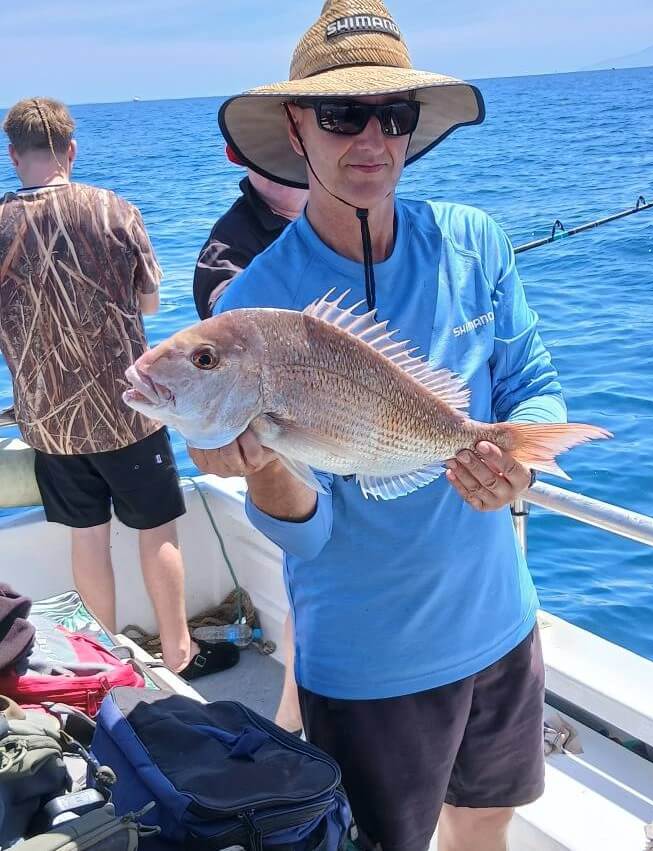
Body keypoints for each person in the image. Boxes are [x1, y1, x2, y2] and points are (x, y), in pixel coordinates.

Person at [191, 2, 566, 848]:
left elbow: (533, 385)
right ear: (296, 126)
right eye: (341, 114)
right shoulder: (255, 306)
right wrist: (263, 464)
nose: (371, 139)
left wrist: (522, 459)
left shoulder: (474, 241)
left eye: (393, 114)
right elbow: (311, 534)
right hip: (369, 661)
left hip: (502, 620)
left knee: (487, 821)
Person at [0, 98, 237, 681]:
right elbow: (151, 304)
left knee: (87, 539)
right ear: (71, 149)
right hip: (131, 411)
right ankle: (179, 655)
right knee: (158, 532)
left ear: (13, 155)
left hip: (50, 421)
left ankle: (105, 667)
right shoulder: (113, 209)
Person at [193, 156, 308, 728]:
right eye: (270, 154)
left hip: (349, 428)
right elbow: (220, 338)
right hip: (293, 448)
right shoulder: (228, 248)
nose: (290, 165)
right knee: (311, 581)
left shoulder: (342, 214)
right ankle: (291, 720)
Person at [192, 149, 308, 319]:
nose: (280, 165)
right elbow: (226, 315)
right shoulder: (229, 239)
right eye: (265, 155)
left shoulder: (344, 210)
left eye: (293, 152)